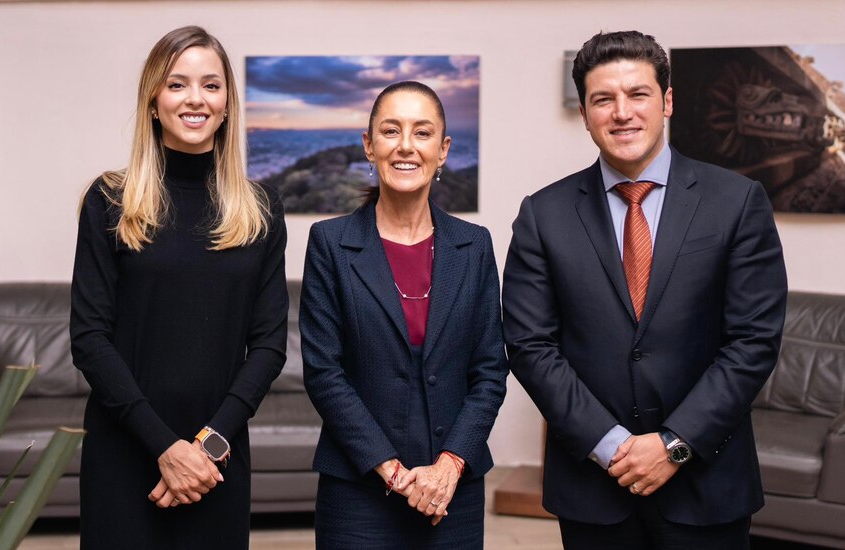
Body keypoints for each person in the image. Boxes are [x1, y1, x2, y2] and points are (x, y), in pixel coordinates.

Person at [502, 30, 788, 548]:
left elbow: (753, 341)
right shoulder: (543, 215)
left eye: (638, 94)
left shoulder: (737, 201)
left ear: (667, 101)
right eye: (603, 99)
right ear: (586, 114)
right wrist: (611, 446)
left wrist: (675, 445)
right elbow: (530, 346)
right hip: (594, 490)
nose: (622, 112)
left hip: (707, 486)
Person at [70, 26, 287, 549]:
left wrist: (206, 448)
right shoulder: (109, 200)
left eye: (211, 85)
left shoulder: (260, 208)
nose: (196, 99)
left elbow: (269, 345)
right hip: (125, 452)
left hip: (219, 456)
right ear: (153, 100)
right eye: (177, 84)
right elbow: (90, 339)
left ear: (228, 103)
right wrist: (164, 446)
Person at [300, 80, 508, 549]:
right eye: (391, 131)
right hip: (358, 490)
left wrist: (449, 466)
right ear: (369, 147)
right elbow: (324, 374)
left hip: (452, 491)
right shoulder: (330, 244)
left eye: (422, 132)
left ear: (443, 149)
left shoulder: (473, 247)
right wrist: (394, 473)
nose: (406, 146)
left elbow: (491, 371)